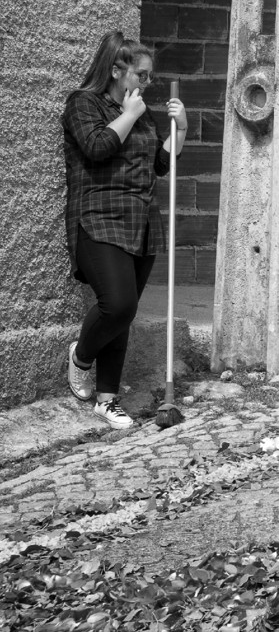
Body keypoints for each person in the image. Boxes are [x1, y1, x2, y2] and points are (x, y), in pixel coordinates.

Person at [63, 31, 187, 429]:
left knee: (124, 313)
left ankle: (107, 399)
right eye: (142, 75)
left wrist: (180, 130)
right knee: (118, 305)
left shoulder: (141, 111)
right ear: (117, 71)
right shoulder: (83, 103)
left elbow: (160, 165)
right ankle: (81, 356)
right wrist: (130, 114)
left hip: (141, 222)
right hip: (97, 219)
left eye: (150, 76)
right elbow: (97, 147)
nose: (147, 83)